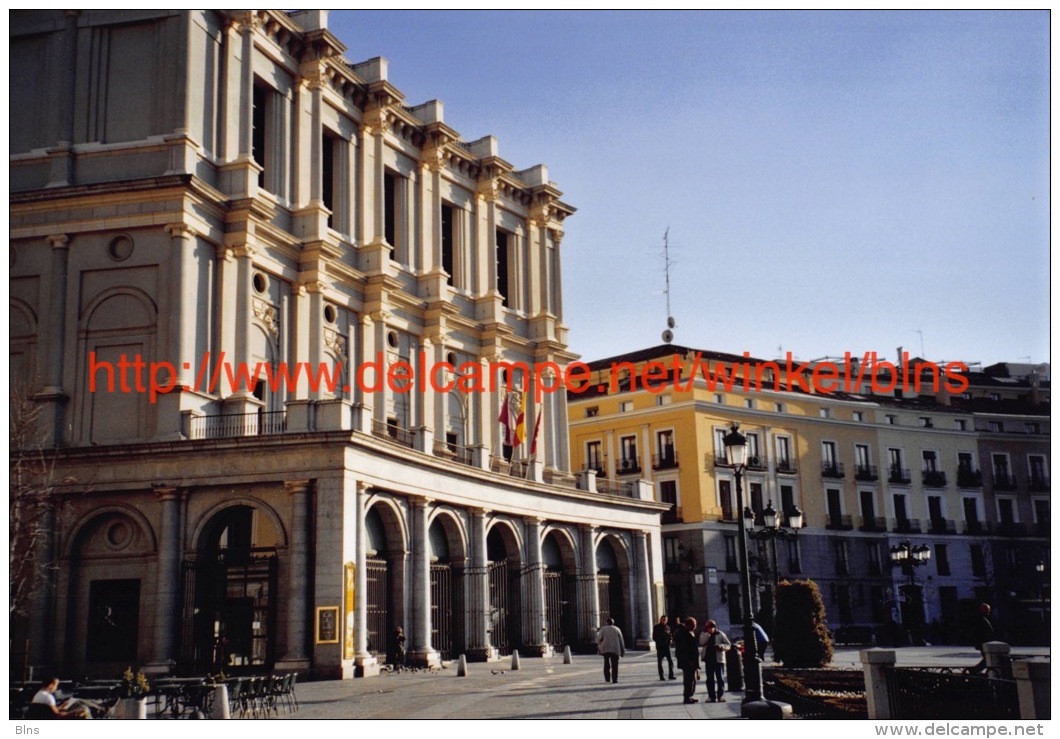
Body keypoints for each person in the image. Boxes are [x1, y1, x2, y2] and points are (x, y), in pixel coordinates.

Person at [699, 620, 731, 702]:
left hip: (718, 659)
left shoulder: (720, 634)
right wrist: (707, 635)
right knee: (710, 679)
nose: (710, 629)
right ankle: (711, 696)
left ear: (714, 627)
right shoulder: (704, 634)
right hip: (708, 659)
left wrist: (721, 646)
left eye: (712, 627)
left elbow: (728, 645)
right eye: (708, 627)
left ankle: (721, 696)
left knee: (720, 678)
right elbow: (701, 642)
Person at [674, 617, 700, 704]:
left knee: (692, 679)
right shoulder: (684, 634)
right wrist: (689, 661)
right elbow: (683, 650)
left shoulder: (688, 632)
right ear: (688, 625)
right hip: (688, 662)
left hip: (691, 661)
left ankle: (690, 695)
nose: (695, 627)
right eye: (693, 625)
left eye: (695, 625)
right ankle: (687, 697)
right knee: (688, 680)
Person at [596, 617, 625, 683]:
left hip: (605, 648)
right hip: (615, 649)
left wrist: (599, 646)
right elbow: (621, 640)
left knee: (606, 664)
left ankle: (607, 678)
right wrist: (622, 651)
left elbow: (599, 639)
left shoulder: (603, 629)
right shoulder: (617, 629)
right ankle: (615, 679)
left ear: (607, 622)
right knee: (615, 665)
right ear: (613, 623)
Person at [971, 603, 995, 673]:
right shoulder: (981, 620)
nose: (989, 612)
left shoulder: (982, 619)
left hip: (984, 643)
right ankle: (974, 670)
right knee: (987, 660)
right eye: (988, 611)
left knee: (987, 659)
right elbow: (981, 634)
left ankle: (975, 670)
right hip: (984, 644)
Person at [653, 615, 676, 681]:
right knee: (660, 662)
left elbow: (670, 635)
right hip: (660, 647)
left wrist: (671, 639)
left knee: (670, 661)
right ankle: (661, 676)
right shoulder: (656, 627)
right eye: (662, 619)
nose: (663, 621)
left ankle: (671, 675)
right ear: (660, 620)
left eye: (665, 620)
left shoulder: (668, 627)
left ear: (667, 620)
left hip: (667, 647)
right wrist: (660, 641)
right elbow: (654, 637)